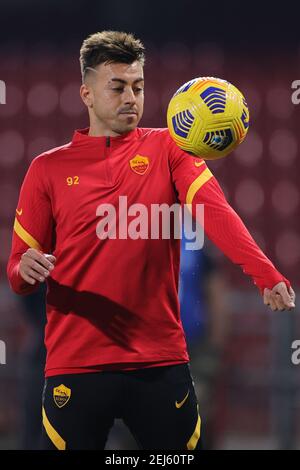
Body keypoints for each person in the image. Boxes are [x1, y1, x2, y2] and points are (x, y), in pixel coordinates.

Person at [7, 31, 295, 450]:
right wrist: (24, 269)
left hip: (158, 362)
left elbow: (215, 212)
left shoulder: (170, 149)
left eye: (138, 87)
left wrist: (264, 273)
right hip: (77, 365)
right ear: (86, 93)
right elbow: (16, 272)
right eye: (118, 87)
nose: (131, 98)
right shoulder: (46, 169)